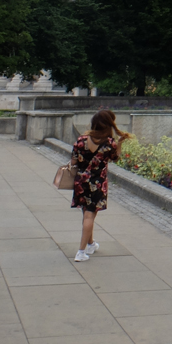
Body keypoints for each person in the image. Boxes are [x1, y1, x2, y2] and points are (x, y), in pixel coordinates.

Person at [70, 109, 132, 262]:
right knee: (90, 215)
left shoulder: (81, 140)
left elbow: (73, 162)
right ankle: (81, 252)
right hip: (97, 183)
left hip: (81, 182)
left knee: (86, 214)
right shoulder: (109, 143)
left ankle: (90, 244)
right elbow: (115, 158)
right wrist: (119, 144)